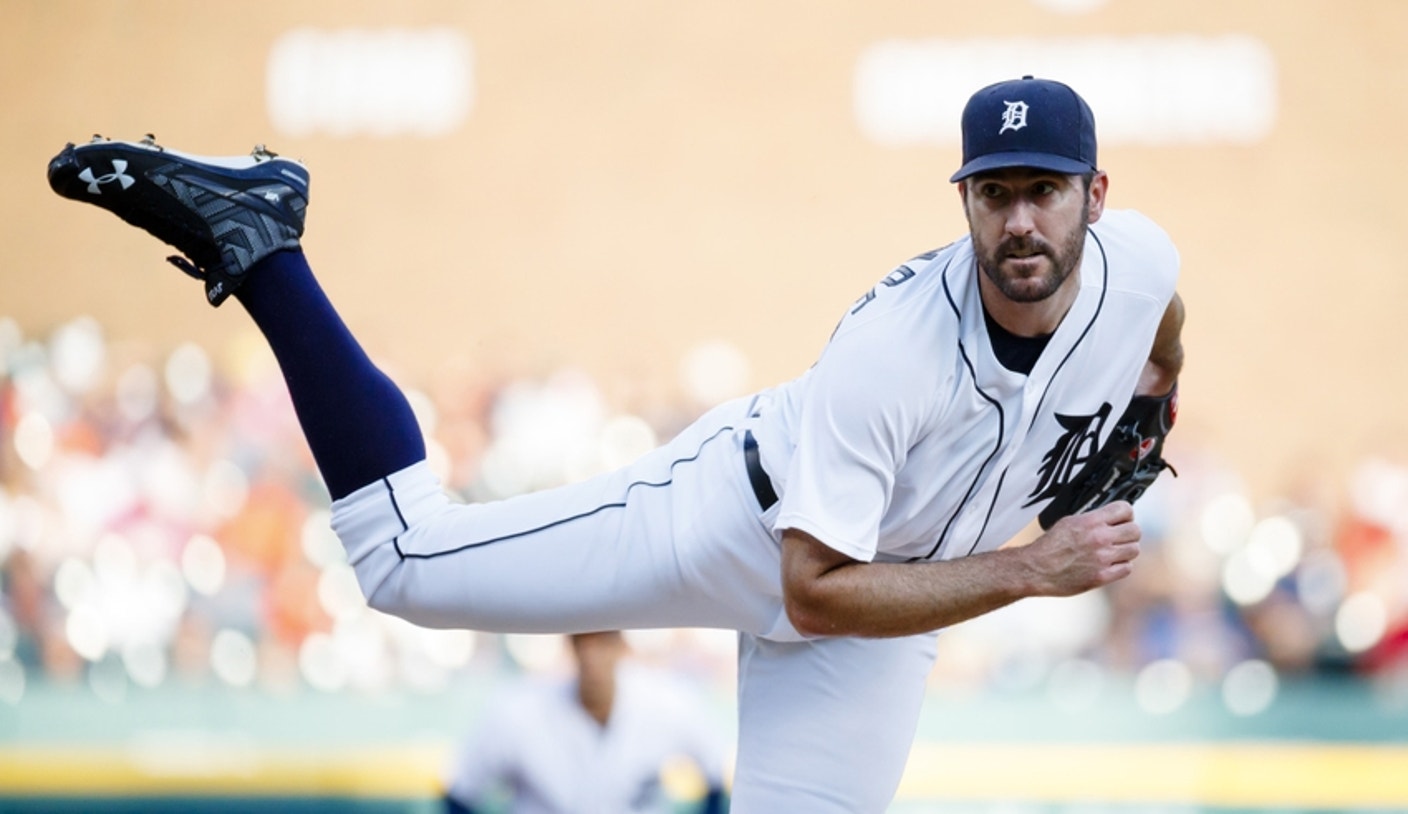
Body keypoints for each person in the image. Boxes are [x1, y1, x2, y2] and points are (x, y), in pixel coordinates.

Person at [47, 75, 1185, 812]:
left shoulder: (1140, 264)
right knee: (400, 563)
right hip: (742, 526)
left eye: (1043, 191)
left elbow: (1162, 319)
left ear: (1093, 193)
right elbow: (816, 589)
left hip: (886, 615)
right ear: (965, 200)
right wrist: (1032, 570)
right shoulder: (893, 349)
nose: (1020, 220)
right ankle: (262, 246)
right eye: (994, 194)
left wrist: (1157, 394)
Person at [441, 631, 728, 814]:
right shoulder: (516, 711)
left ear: (621, 643)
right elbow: (461, 794)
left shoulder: (668, 702)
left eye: (604, 640)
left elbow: (717, 778)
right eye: (584, 641)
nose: (593, 656)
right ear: (571, 644)